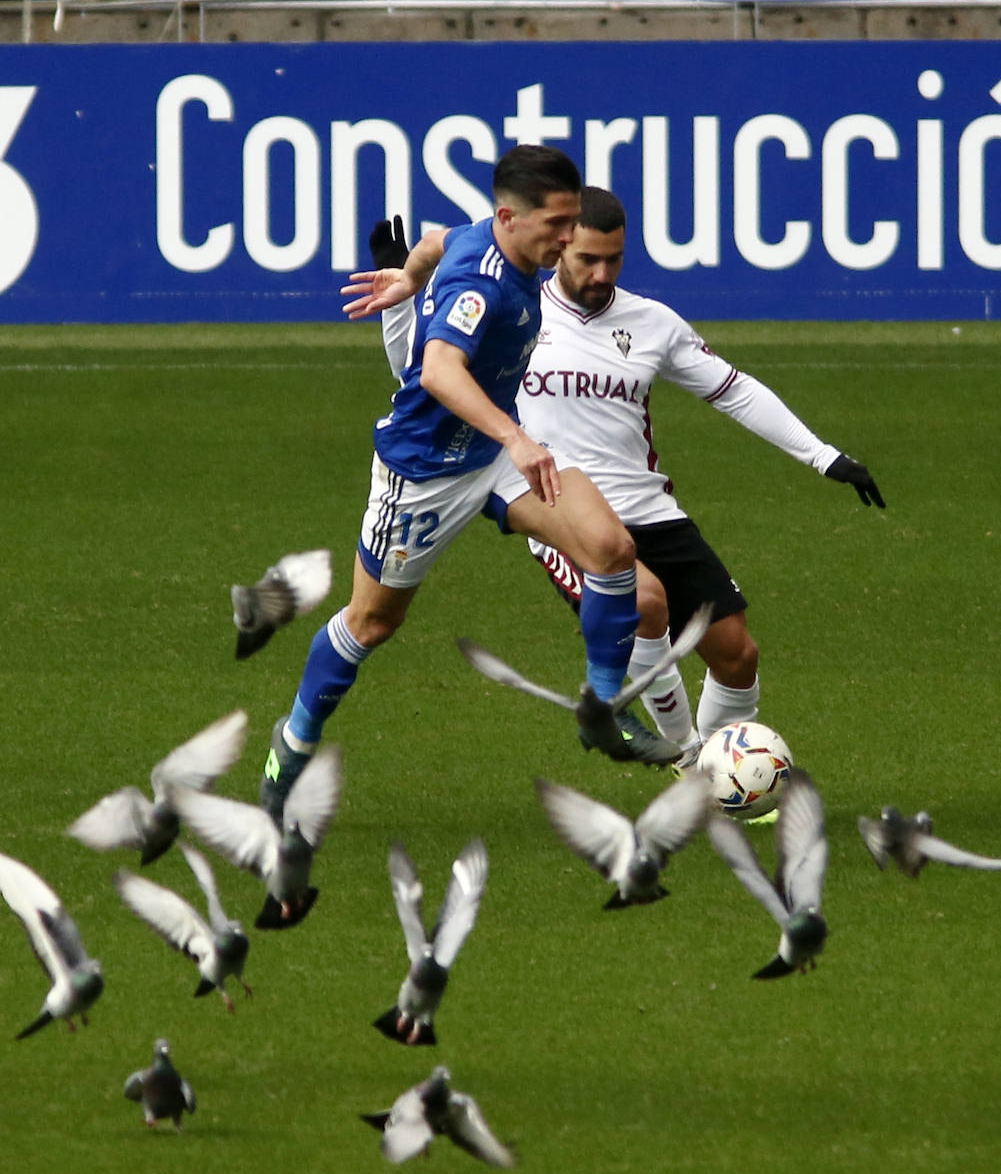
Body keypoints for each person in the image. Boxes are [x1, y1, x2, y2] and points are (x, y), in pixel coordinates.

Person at [372, 186, 884, 764]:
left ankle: (718, 774)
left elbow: (734, 391)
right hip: (563, 510)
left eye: (613, 258)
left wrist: (823, 456)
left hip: (652, 510)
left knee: (737, 654)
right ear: (559, 245)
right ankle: (688, 758)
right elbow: (421, 377)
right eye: (587, 258)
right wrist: (398, 301)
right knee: (646, 602)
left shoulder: (653, 324)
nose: (600, 272)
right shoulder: (513, 314)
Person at [260, 149, 681, 823]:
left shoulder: (481, 236)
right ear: (511, 218)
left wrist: (406, 277)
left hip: (492, 451)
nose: (570, 239)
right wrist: (518, 436)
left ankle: (601, 707)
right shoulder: (479, 287)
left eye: (573, 221)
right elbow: (438, 373)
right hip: (423, 473)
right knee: (371, 623)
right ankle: (294, 740)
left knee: (610, 549)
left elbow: (431, 241)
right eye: (559, 224)